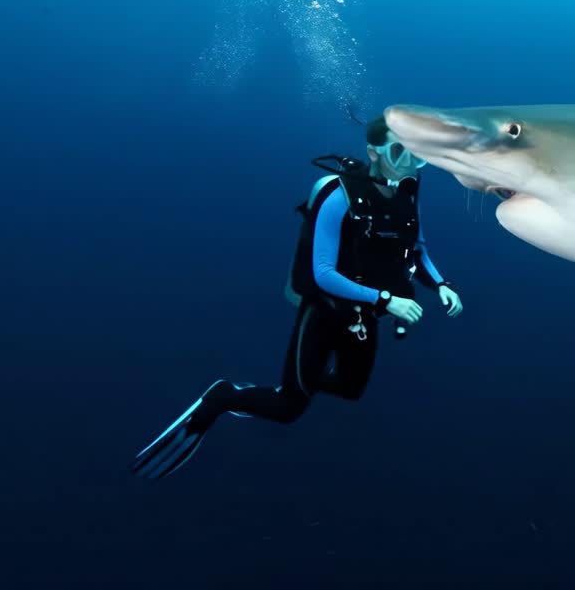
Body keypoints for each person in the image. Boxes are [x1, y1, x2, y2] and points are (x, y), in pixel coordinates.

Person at [129, 115, 463, 481]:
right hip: (324, 311)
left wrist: (441, 284)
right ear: (374, 153)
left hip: (365, 315)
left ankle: (300, 377)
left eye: (418, 153)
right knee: (289, 407)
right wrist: (386, 300)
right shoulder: (339, 195)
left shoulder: (408, 195)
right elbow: (324, 273)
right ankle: (222, 397)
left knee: (351, 389)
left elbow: (417, 249)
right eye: (400, 152)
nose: (410, 163)